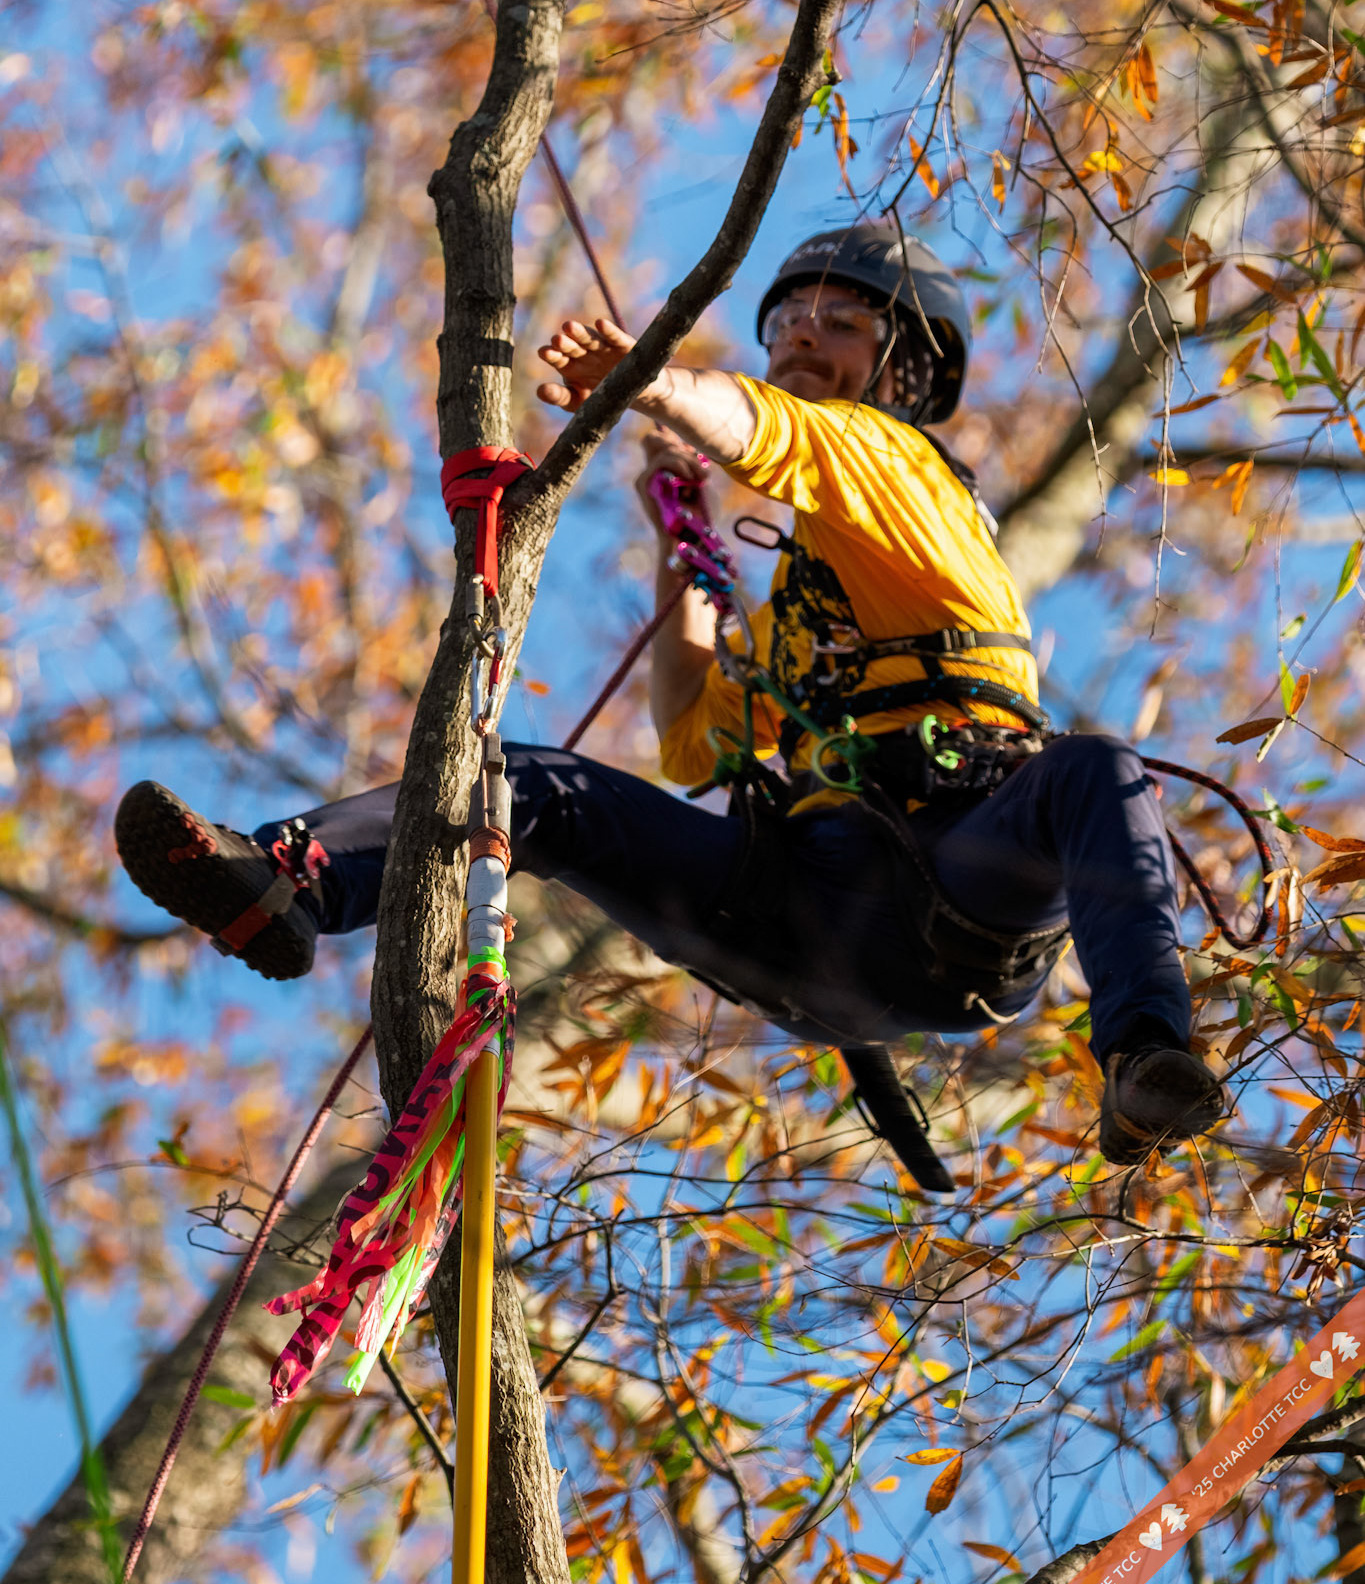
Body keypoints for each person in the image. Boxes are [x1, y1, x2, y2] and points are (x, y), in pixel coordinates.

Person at [114, 221, 1225, 1177]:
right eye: (790, 319)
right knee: (531, 790)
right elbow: (696, 734)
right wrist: (678, 539)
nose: (801, 335)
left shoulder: (897, 465)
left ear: (901, 370)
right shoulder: (815, 600)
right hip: (807, 906)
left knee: (1092, 770)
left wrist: (647, 379)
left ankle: (1144, 1054)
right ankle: (285, 879)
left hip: (959, 881)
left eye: (841, 322)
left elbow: (765, 431)